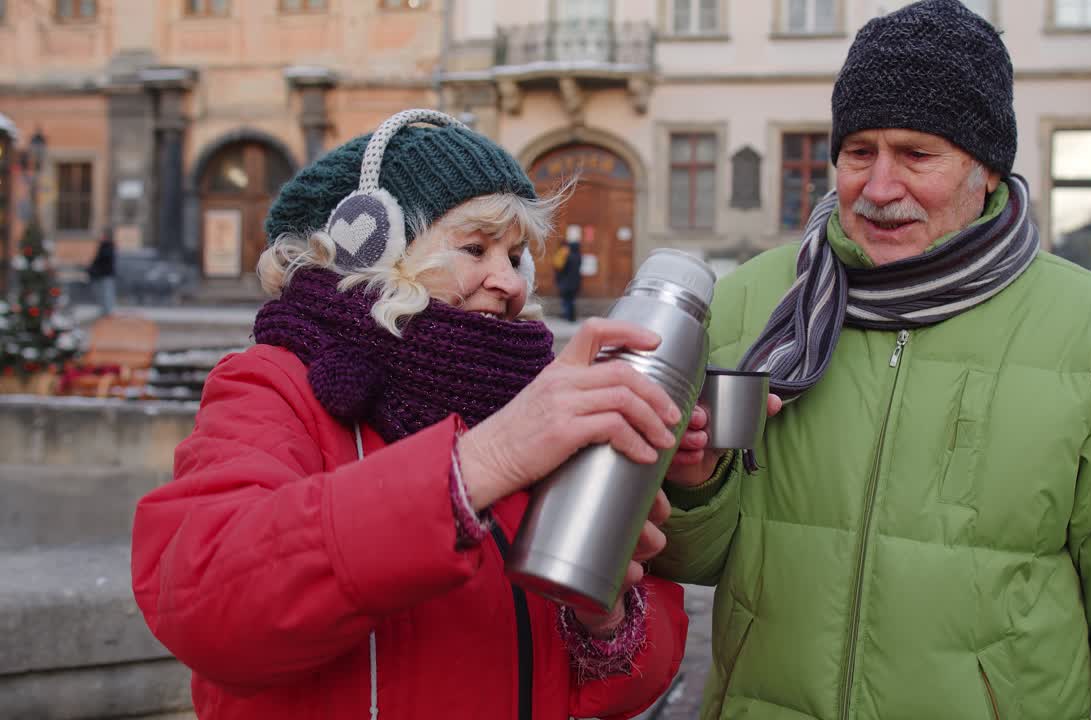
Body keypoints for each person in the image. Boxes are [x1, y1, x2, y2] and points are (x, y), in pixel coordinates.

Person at [652, 2, 1091, 718]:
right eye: (859, 151)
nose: (878, 188)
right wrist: (695, 481)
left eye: (916, 154)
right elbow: (688, 560)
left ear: (988, 169)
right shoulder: (751, 309)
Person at [131, 110, 688, 719]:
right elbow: (206, 605)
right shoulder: (273, 384)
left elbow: (628, 688)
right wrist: (482, 464)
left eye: (517, 256)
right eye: (475, 248)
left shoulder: (526, 404)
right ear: (366, 243)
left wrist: (600, 608)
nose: (510, 283)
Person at [86, 225, 116, 316]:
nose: (101, 236)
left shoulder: (108, 246)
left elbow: (102, 259)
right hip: (102, 274)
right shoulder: (104, 245)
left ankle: (107, 311)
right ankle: (105, 310)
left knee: (106, 294)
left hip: (105, 274)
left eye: (103, 235)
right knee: (102, 294)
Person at [555, 238, 583, 322]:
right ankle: (571, 316)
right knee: (572, 300)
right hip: (576, 282)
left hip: (567, 282)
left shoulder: (569, 257)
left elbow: (563, 269)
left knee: (567, 300)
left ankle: (568, 315)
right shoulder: (579, 256)